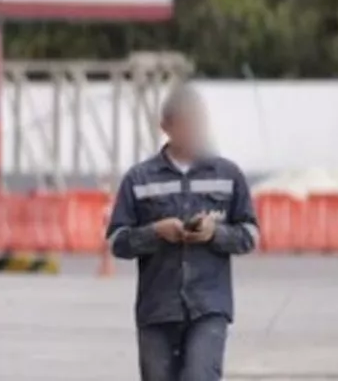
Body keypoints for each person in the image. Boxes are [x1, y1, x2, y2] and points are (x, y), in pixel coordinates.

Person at [105, 84, 259, 381]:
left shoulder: (227, 175)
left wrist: (215, 233)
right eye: (186, 123)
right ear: (166, 127)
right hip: (157, 310)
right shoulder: (139, 179)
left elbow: (250, 235)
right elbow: (117, 241)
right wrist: (155, 233)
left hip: (208, 308)